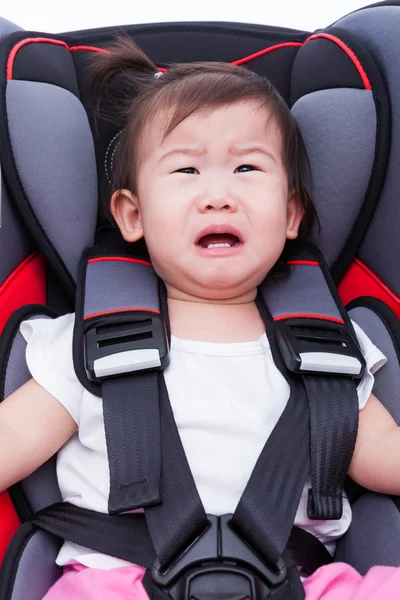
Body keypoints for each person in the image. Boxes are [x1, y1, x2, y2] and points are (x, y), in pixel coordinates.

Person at [1, 37, 399, 599]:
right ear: (132, 215)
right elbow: (13, 434)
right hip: (117, 578)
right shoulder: (81, 346)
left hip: (300, 583)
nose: (218, 195)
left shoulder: (332, 349)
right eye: (186, 170)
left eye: (246, 167)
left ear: (291, 214)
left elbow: (381, 452)